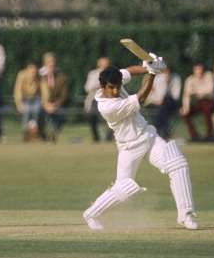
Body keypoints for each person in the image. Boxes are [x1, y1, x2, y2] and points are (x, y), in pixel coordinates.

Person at [82, 55, 198, 231]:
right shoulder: (107, 107)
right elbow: (141, 98)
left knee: (178, 164)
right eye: (112, 88)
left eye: (118, 87)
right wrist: (152, 73)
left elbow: (128, 71)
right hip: (128, 147)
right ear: (103, 86)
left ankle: (186, 215)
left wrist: (147, 67)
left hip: (148, 137)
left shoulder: (115, 79)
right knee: (124, 188)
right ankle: (90, 214)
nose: (115, 91)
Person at [180, 63, 214, 141]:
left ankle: (210, 135)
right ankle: (194, 135)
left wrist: (196, 91)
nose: (199, 71)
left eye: (200, 69)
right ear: (194, 70)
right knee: (184, 114)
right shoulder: (190, 79)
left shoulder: (208, 75)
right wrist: (186, 107)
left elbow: (209, 90)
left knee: (206, 108)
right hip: (198, 102)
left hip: (209, 101)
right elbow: (186, 95)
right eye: (197, 69)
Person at [145, 66, 182, 140]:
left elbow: (175, 96)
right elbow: (152, 94)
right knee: (163, 109)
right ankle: (165, 133)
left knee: (164, 106)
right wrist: (156, 100)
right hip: (155, 102)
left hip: (169, 102)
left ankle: (156, 130)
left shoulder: (176, 78)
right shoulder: (158, 78)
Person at [39, 52, 68, 142]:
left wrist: (56, 104)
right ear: (44, 64)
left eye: (52, 62)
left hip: (56, 104)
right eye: (48, 62)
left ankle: (54, 134)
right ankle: (43, 136)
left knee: (62, 113)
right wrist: (45, 105)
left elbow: (64, 95)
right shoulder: (39, 76)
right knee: (37, 112)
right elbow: (37, 94)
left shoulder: (62, 77)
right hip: (42, 104)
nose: (51, 64)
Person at [84, 57, 113, 143]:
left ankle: (108, 138)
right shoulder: (93, 74)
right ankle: (95, 137)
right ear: (98, 65)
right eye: (103, 64)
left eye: (106, 64)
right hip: (95, 100)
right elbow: (87, 88)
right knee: (92, 115)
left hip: (109, 100)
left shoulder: (113, 74)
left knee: (112, 117)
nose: (104, 66)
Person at [13, 62, 42, 142]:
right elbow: (17, 90)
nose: (33, 73)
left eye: (35, 71)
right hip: (24, 99)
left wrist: (46, 103)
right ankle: (25, 134)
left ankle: (35, 134)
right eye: (32, 71)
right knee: (26, 110)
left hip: (36, 99)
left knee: (37, 110)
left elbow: (44, 90)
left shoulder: (39, 76)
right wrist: (18, 103)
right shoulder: (21, 75)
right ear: (27, 70)